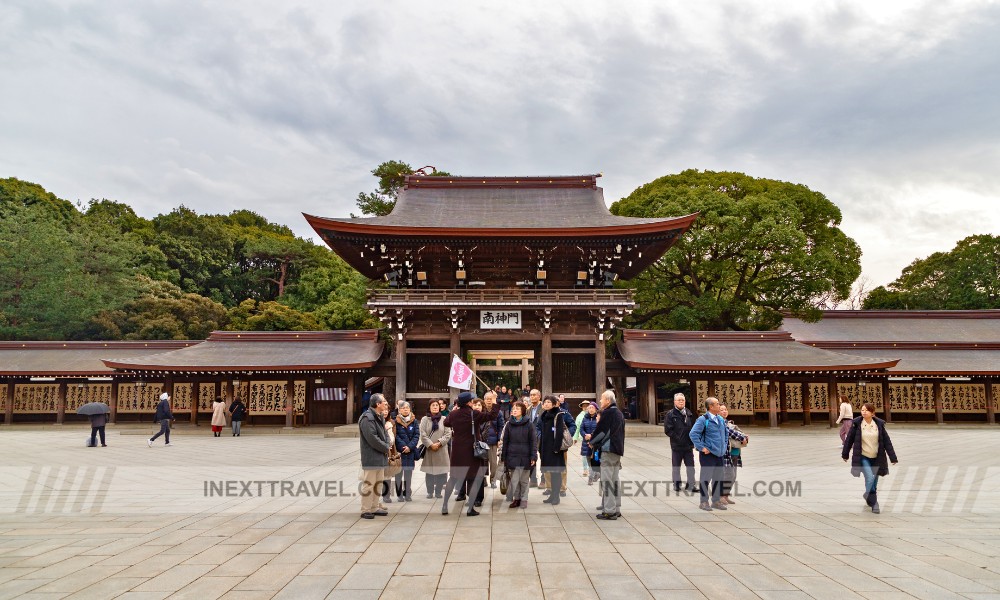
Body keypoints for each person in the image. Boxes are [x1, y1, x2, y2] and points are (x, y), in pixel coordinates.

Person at [842, 402, 898, 514]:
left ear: (872, 413)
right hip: (864, 456)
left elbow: (887, 441)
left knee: (875, 479)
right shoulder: (857, 424)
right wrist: (845, 454)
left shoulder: (879, 425)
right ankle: (874, 503)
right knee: (870, 477)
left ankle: (868, 494)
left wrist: (893, 457)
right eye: (862, 410)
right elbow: (849, 440)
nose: (863, 412)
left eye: (866, 410)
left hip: (877, 456)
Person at [442, 391, 487, 516]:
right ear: (469, 402)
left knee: (453, 478)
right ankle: (470, 509)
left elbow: (446, 422)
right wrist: (494, 402)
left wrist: (454, 410)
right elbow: (491, 416)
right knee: (472, 478)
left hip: (457, 451)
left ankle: (445, 505)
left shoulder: (454, 414)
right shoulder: (475, 414)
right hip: (471, 451)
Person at [589, 389, 625, 519]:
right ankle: (616, 508)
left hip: (608, 450)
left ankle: (609, 511)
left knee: (607, 481)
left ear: (608, 401)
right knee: (615, 480)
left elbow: (602, 431)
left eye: (602, 399)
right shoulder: (619, 413)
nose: (600, 401)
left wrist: (592, 442)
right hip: (617, 450)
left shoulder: (608, 413)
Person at [689, 397, 729, 511]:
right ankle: (703, 501)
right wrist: (702, 447)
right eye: (717, 404)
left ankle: (716, 501)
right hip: (708, 455)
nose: (719, 405)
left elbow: (726, 434)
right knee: (705, 478)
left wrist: (724, 445)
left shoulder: (720, 419)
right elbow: (693, 434)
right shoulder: (703, 419)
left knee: (718, 478)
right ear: (710, 407)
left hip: (720, 454)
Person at [359, 393, 391, 519]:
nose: (386, 403)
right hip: (371, 456)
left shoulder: (379, 416)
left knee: (378, 483)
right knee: (369, 484)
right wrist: (385, 446)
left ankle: (374, 506)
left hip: (380, 455)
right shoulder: (367, 418)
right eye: (384, 401)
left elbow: (385, 433)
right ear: (378, 404)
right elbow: (372, 438)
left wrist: (387, 444)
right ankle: (365, 509)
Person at [500, 400, 537, 508]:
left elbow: (533, 441)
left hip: (525, 455)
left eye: (517, 409)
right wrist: (503, 456)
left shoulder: (529, 424)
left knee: (524, 480)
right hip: (512, 455)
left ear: (523, 411)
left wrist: (533, 456)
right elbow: (505, 441)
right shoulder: (509, 424)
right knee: (514, 480)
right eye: (513, 409)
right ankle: (517, 499)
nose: (514, 410)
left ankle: (524, 499)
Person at [419, 399, 452, 499]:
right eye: (433, 405)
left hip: (441, 449)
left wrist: (439, 443)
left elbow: (448, 433)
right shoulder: (425, 419)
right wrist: (430, 444)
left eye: (437, 405)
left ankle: (438, 492)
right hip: (430, 449)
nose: (435, 407)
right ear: (429, 407)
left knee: (442, 472)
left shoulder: (444, 419)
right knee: (429, 472)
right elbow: (423, 434)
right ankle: (430, 492)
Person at [664, 392, 696, 492]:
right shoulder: (670, 414)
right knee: (676, 466)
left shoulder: (689, 413)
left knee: (691, 466)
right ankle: (676, 484)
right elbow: (668, 430)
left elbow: (694, 427)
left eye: (682, 400)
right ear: (674, 402)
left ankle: (691, 485)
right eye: (679, 400)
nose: (681, 402)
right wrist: (678, 438)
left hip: (688, 445)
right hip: (676, 445)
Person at [538, 396, 567, 505]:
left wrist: (556, 448)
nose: (546, 404)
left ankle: (556, 496)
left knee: (556, 473)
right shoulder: (544, 415)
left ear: (554, 404)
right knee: (550, 473)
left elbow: (559, 432)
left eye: (549, 402)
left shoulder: (557, 415)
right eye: (545, 402)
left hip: (555, 450)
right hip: (546, 449)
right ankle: (552, 495)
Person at [718, 404, 748, 505]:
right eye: (721, 410)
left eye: (725, 409)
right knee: (727, 475)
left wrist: (744, 437)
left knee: (733, 476)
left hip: (735, 452)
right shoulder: (718, 422)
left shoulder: (730, 423)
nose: (724, 411)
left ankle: (726, 495)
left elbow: (742, 434)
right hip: (726, 453)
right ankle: (721, 496)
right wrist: (742, 437)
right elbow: (729, 432)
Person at [394, 401, 420, 501]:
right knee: (398, 474)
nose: (405, 409)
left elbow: (416, 435)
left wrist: (410, 447)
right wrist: (403, 446)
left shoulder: (414, 421)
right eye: (403, 408)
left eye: (407, 408)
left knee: (408, 474)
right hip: (400, 452)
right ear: (399, 410)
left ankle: (407, 493)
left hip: (410, 452)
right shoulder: (395, 421)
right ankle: (399, 494)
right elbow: (395, 436)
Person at [482, 391, 505, 489]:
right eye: (487, 398)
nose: (489, 400)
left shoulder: (498, 412)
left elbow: (501, 426)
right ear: (484, 400)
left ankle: (493, 480)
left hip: (493, 440)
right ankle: (482, 480)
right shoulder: (481, 411)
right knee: (482, 462)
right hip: (482, 440)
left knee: (493, 463)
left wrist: (499, 438)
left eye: (490, 398)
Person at [577, 402, 598, 479]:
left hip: (595, 442)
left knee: (596, 457)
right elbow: (581, 428)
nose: (591, 409)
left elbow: (599, 429)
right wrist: (585, 435)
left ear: (596, 409)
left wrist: (591, 435)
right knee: (588, 457)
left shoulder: (598, 417)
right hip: (586, 441)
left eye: (592, 408)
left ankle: (596, 472)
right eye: (589, 408)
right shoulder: (585, 418)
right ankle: (591, 472)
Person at [381, 400, 396, 505]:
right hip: (380, 450)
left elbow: (394, 436)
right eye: (384, 410)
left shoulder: (392, 422)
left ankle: (386, 495)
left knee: (388, 475)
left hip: (390, 451)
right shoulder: (376, 422)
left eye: (387, 410)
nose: (385, 412)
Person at [526, 390, 543, 487]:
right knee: (531, 457)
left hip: (541, 436)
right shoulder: (528, 409)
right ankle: (532, 480)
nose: (532, 397)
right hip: (531, 437)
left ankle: (543, 480)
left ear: (539, 396)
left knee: (543, 458)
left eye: (534, 395)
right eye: (531, 395)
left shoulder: (543, 409)